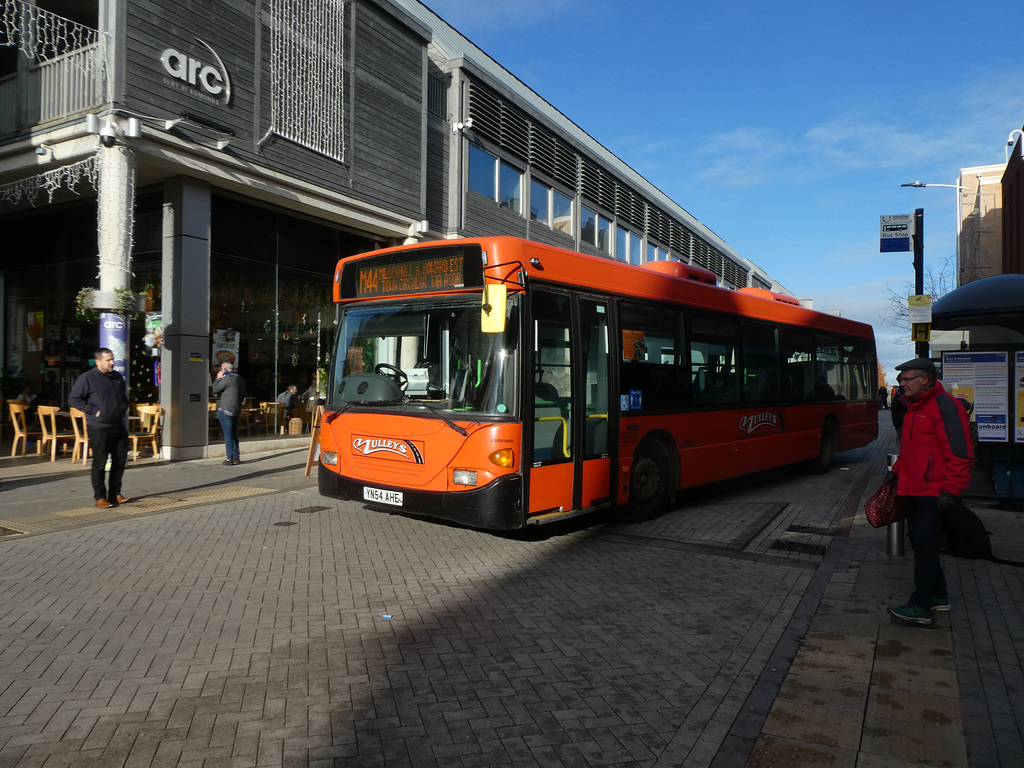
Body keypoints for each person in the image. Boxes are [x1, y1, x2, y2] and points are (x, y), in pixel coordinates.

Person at [885, 357, 974, 626]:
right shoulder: (914, 406)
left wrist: (951, 491)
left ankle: (920, 606)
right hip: (912, 487)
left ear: (925, 379)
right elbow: (916, 449)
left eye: (906, 378)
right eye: (900, 379)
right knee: (922, 544)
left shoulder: (945, 407)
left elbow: (960, 454)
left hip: (932, 491)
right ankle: (938, 596)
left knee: (924, 546)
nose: (901, 384)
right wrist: (896, 470)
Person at [68, 348, 131, 509]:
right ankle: (100, 497)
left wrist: (124, 407)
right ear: (98, 362)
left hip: (118, 425)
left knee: (120, 460)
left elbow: (122, 397)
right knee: (100, 463)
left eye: (112, 359)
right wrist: (93, 411)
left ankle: (115, 493)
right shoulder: (87, 378)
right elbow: (73, 399)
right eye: (108, 360)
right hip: (99, 427)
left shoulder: (117, 377)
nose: (112, 362)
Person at [212, 362, 246, 465]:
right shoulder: (241, 379)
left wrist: (218, 378)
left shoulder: (228, 378)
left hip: (226, 409)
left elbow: (215, 389)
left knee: (228, 435)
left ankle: (229, 458)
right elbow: (242, 395)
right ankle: (236, 457)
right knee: (233, 434)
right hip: (236, 410)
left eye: (221, 369)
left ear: (224, 369)